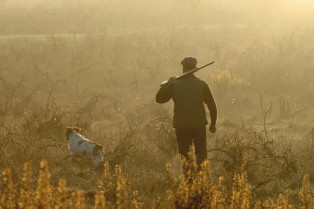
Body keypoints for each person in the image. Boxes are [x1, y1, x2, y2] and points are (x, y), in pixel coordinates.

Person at [156, 57, 217, 168]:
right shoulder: (202, 84)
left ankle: (189, 184)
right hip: (199, 125)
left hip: (182, 126)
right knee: (201, 156)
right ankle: (202, 183)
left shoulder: (174, 84)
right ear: (195, 68)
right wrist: (213, 124)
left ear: (183, 69)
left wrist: (168, 83)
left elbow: (159, 99)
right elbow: (212, 105)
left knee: (186, 158)